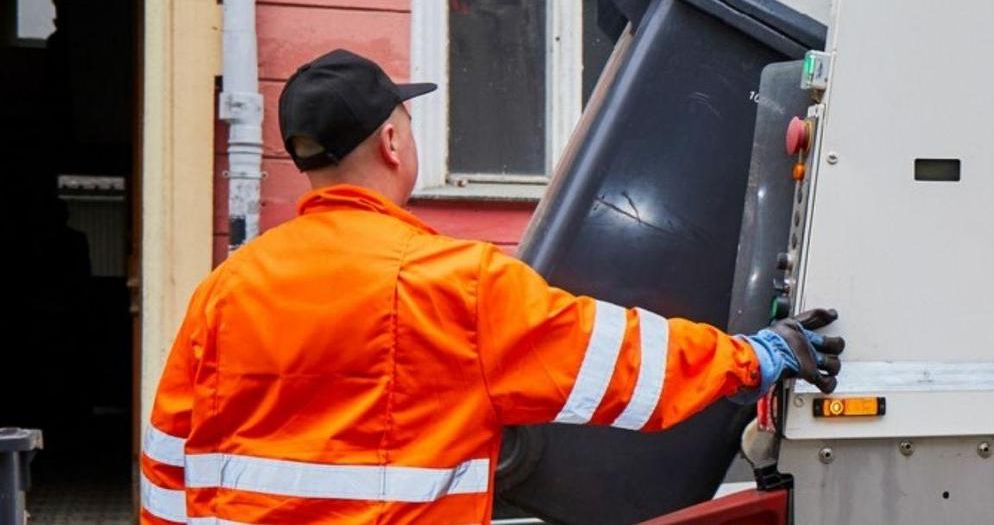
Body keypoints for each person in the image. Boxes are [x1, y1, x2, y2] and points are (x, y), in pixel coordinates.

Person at [140, 49, 844, 524]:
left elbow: (167, 465)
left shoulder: (226, 289)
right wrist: (756, 355)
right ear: (392, 144)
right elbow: (623, 363)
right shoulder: (454, 286)